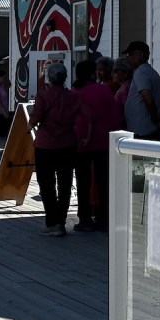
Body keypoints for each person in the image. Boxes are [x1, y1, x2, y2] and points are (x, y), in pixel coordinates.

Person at [27, 62, 82, 237]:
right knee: (65, 184)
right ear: (65, 77)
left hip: (45, 145)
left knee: (47, 184)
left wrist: (29, 126)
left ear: (49, 78)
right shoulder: (72, 97)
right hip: (67, 144)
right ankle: (62, 222)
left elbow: (35, 117)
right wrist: (85, 136)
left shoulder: (43, 95)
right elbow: (89, 115)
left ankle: (52, 223)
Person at [71, 60, 121, 232]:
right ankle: (104, 218)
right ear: (92, 73)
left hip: (81, 141)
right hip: (103, 141)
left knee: (82, 181)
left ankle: (84, 218)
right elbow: (115, 116)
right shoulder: (104, 90)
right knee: (103, 181)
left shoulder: (75, 91)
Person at [122, 41, 160, 140]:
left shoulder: (140, 73)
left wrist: (156, 120)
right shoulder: (153, 73)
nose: (128, 58)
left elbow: (148, 98)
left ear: (140, 55)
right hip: (149, 129)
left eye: (130, 54)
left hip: (142, 131)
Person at [112, 57, 133, 127]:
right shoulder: (125, 86)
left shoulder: (126, 88)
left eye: (115, 71)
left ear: (125, 72)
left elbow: (128, 111)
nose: (112, 74)